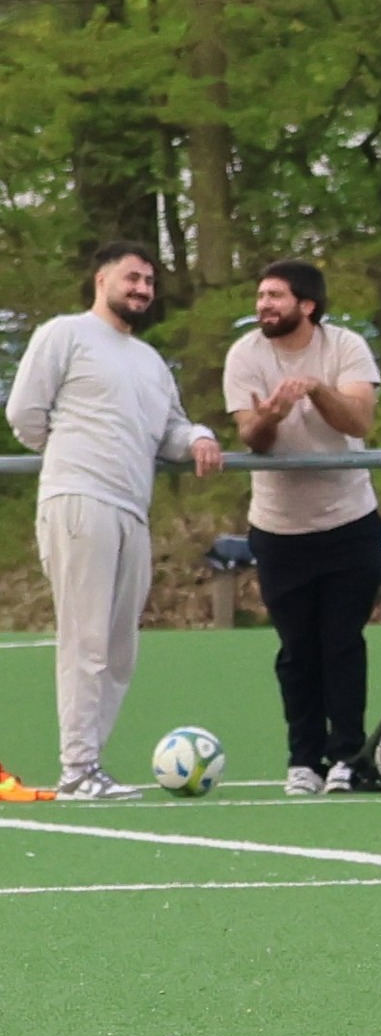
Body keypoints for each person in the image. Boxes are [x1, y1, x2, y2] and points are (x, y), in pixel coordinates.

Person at [6, 241, 223, 799]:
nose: (142, 290)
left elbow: (170, 430)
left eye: (149, 282)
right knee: (86, 639)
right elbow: (25, 413)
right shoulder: (65, 334)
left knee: (120, 645)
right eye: (132, 278)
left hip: (133, 508)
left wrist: (199, 435)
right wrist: (72, 457)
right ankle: (77, 767)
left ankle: (91, 763)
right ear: (101, 279)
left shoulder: (149, 363)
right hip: (79, 500)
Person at [223, 260, 381, 796]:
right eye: (260, 295)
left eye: (275, 295)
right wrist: (271, 413)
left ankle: (345, 757)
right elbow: (253, 437)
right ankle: (303, 760)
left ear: (307, 305)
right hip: (278, 529)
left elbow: (358, 422)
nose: (263, 304)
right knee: (297, 648)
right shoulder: (245, 354)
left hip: (349, 523)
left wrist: (316, 389)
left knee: (342, 642)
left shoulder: (345, 348)